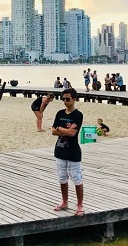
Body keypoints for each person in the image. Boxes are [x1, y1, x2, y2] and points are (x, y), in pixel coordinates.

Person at [51, 88, 84, 216]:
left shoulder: (77, 115)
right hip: (60, 150)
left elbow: (72, 133)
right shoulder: (60, 113)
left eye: (67, 99)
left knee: (76, 178)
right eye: (63, 99)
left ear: (74, 99)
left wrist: (60, 128)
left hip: (73, 151)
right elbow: (53, 131)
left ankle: (79, 204)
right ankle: (64, 202)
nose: (65, 101)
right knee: (62, 177)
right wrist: (63, 130)